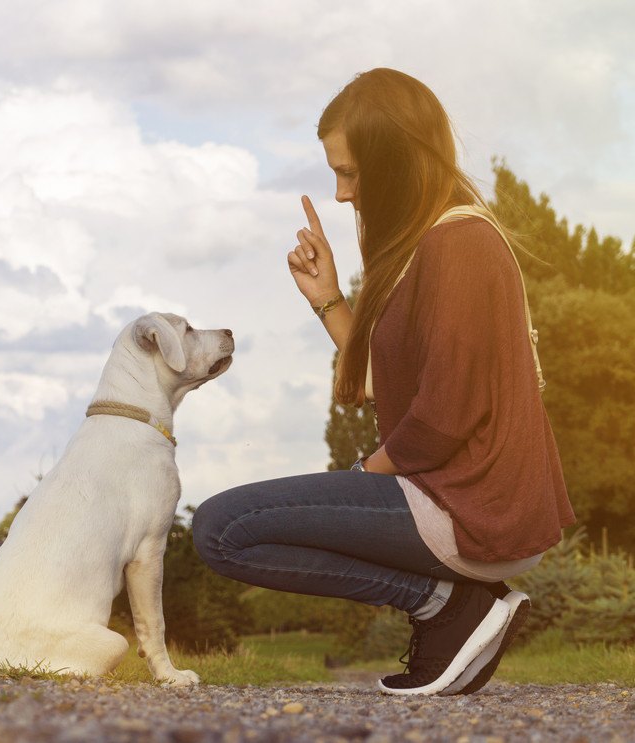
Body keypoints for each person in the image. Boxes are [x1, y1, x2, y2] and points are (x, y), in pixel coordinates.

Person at [192, 68, 574, 696]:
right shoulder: (431, 244)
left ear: (395, 162)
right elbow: (383, 381)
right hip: (455, 498)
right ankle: (449, 604)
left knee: (221, 530)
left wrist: (365, 475)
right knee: (224, 530)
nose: (341, 194)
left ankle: (445, 605)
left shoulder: (461, 246)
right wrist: (328, 300)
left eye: (350, 172)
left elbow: (445, 415)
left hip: (468, 506)